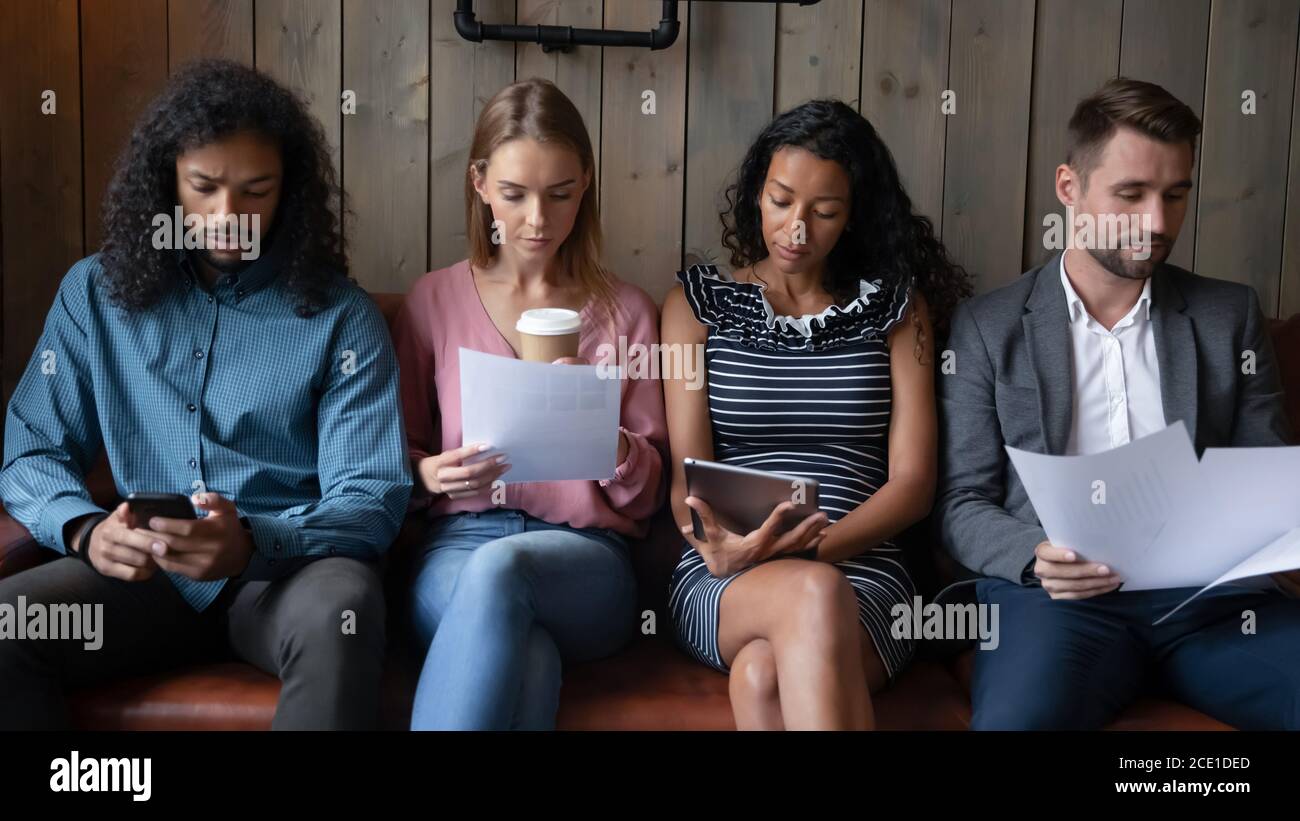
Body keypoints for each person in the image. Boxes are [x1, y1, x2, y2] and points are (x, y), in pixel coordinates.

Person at [0, 59, 411, 730]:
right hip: (144, 576)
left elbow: (370, 499)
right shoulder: (93, 295)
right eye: (205, 187)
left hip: (287, 575)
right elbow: (32, 452)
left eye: (257, 190)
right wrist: (83, 528)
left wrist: (252, 540)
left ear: (290, 192)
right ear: (166, 183)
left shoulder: (343, 318)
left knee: (344, 613)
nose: (229, 216)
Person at [937, 77, 1300, 730]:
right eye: (1131, 195)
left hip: (1210, 605)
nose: (1158, 223)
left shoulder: (1229, 314)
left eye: (1175, 195)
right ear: (1069, 188)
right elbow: (961, 503)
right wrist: (1032, 553)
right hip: (1057, 603)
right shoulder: (987, 327)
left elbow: (1268, 476)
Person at [662, 99, 972, 729]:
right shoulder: (694, 307)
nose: (797, 229)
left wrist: (818, 547)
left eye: (824, 212)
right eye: (781, 201)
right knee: (814, 594)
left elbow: (913, 485)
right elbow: (685, 477)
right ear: (756, 193)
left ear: (853, 217)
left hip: (868, 566)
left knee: (763, 677)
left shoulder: (896, 310)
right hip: (730, 570)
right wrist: (722, 546)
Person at [394, 78, 667, 730]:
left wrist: (608, 439)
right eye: (515, 195)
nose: (537, 219)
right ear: (481, 184)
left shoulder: (626, 312)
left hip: (586, 560)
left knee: (504, 571)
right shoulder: (431, 302)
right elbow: (385, 465)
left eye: (560, 194)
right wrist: (430, 473)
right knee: (532, 658)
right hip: (455, 550)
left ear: (587, 185)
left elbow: (651, 496)